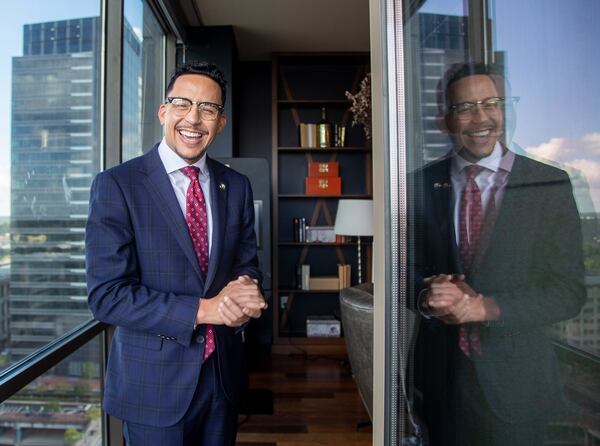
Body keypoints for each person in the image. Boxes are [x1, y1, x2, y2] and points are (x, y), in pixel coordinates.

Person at [85, 62, 267, 446]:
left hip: (222, 379)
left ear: (221, 123)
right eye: (182, 104)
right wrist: (206, 309)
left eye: (208, 109)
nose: (194, 119)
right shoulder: (117, 185)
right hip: (153, 386)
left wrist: (246, 285)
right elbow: (106, 297)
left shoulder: (235, 186)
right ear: (164, 112)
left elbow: (246, 262)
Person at [411, 62, 586, 445]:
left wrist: (484, 308)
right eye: (465, 108)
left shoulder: (548, 184)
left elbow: (569, 291)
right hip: (440, 383)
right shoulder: (419, 184)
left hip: (518, 386)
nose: (481, 118)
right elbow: (405, 271)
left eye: (491, 104)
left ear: (507, 111)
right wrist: (426, 295)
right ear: (447, 121)